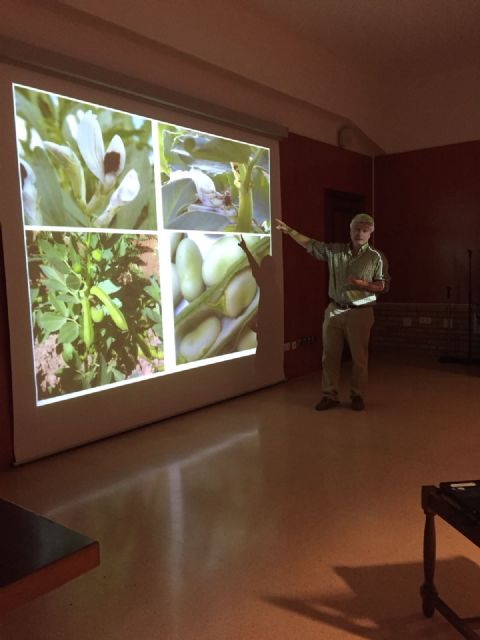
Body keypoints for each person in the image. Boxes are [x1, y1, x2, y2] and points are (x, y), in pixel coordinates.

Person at [276, 213, 389, 411]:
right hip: (334, 309)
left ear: (370, 232)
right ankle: (330, 395)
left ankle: (357, 395)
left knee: (359, 357)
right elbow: (311, 244)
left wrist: (366, 285)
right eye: (356, 229)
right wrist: (290, 232)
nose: (360, 234)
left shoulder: (375, 257)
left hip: (360, 312)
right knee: (329, 355)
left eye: (364, 230)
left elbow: (383, 286)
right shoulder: (335, 251)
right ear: (350, 229)